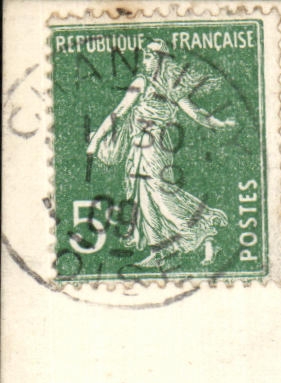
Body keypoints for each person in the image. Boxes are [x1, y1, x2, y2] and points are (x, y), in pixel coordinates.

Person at [86, 41, 236, 267]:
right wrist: (97, 140)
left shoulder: (152, 84)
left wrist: (220, 123)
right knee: (143, 197)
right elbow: (196, 114)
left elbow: (119, 113)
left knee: (160, 195)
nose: (144, 61)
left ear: (158, 59)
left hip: (153, 148)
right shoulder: (158, 85)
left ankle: (205, 233)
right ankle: (160, 250)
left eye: (147, 57)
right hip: (142, 148)